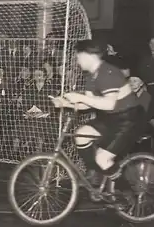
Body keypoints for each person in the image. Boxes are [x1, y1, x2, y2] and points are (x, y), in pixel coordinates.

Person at [50, 39, 143, 188]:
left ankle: (126, 190)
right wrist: (65, 103)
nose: (77, 61)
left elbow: (109, 103)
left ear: (88, 56)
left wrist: (79, 97)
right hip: (111, 117)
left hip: (128, 120)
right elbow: (88, 104)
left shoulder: (107, 73)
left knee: (102, 158)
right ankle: (94, 175)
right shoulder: (91, 76)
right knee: (81, 136)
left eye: (78, 56)